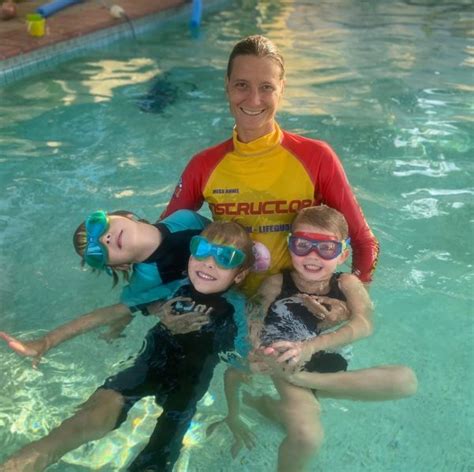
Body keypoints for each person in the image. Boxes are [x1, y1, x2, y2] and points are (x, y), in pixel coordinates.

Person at [0, 220, 255, 472]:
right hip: (145, 368)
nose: (209, 262)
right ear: (190, 255)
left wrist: (234, 413)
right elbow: (112, 312)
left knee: (158, 457)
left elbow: (240, 365)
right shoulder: (172, 288)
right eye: (201, 249)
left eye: (226, 258)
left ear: (240, 274)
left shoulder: (237, 309)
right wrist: (47, 342)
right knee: (87, 419)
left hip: (187, 387)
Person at [162, 34, 379, 296]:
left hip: (299, 301)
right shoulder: (204, 165)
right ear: (227, 86)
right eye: (242, 85)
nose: (254, 100)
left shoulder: (316, 157)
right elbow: (163, 238)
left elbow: (364, 241)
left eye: (266, 87)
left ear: (282, 88)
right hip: (229, 302)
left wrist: (349, 300)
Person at [208, 206, 417, 472]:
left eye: (326, 248)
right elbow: (255, 314)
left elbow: (364, 323)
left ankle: (279, 398)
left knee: (406, 381)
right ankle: (288, 390)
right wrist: (255, 348)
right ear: (289, 246)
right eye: (302, 244)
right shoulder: (277, 282)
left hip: (322, 367)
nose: (312, 255)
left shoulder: (347, 283)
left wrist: (310, 347)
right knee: (308, 437)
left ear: (343, 253)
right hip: (287, 360)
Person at [0, 209, 210, 366]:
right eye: (96, 252)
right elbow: (110, 312)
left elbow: (227, 235)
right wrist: (46, 342)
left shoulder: (186, 219)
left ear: (126, 215)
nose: (104, 238)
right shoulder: (145, 281)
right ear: (120, 266)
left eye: (98, 224)